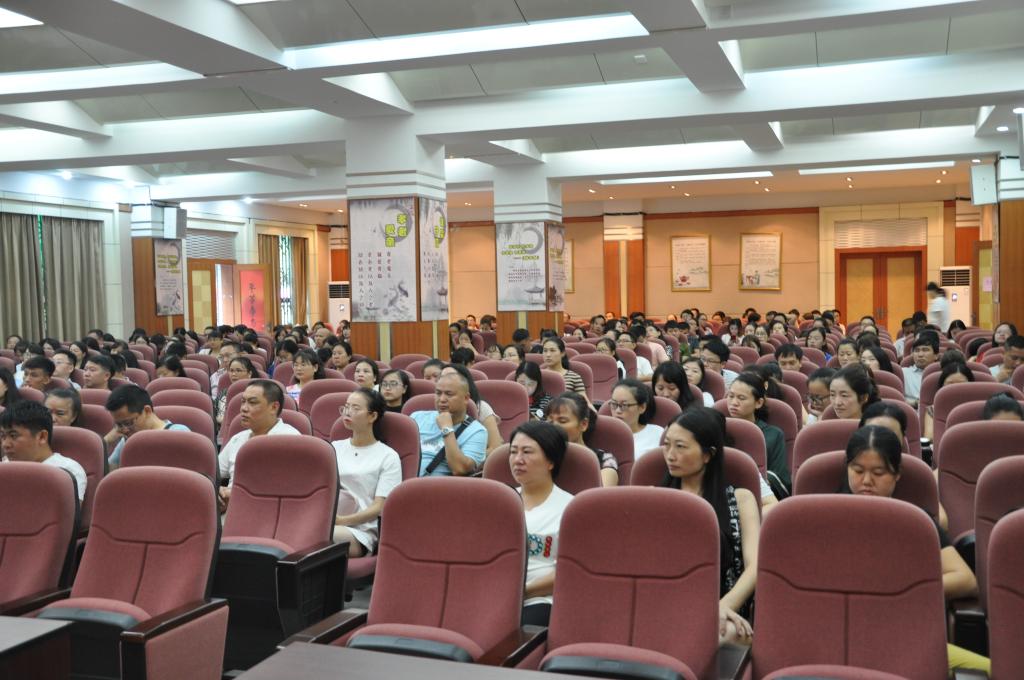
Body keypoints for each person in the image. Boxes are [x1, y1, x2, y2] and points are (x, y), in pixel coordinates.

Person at [840, 424, 987, 675]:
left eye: (879, 472)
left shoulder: (916, 522)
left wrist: (903, 590)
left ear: (897, 474)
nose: (866, 481)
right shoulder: (825, 518)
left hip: (906, 641)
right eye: (858, 470)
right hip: (836, 638)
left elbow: (966, 580)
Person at [661, 408, 757, 644]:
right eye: (666, 445)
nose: (670, 455)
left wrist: (724, 605)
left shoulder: (740, 499)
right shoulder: (655, 499)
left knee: (710, 636)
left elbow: (755, 566)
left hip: (723, 608)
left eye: (680, 447)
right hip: (663, 604)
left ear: (708, 454)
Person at [510, 420, 573, 627]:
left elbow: (567, 573)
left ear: (550, 462)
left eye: (527, 452)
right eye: (513, 452)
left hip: (541, 599)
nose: (518, 460)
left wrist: (520, 592)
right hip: (494, 595)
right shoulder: (500, 502)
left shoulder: (571, 509)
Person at [331, 389, 402, 558]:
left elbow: (380, 507)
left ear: (372, 416)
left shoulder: (388, 456)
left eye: (355, 408)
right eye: (346, 407)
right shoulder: (334, 448)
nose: (348, 412)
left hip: (361, 531)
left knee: (317, 534)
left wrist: (341, 521)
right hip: (330, 521)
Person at [218, 381, 301, 508]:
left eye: (252, 402)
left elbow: (291, 488)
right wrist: (218, 493)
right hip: (232, 510)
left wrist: (237, 495)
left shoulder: (291, 441)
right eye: (243, 402)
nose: (244, 408)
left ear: (274, 407)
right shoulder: (237, 439)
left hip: (273, 512)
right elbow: (213, 474)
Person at [0, 401, 86, 502]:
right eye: (2, 436)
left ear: (42, 437)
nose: (5, 444)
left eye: (13, 435)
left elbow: (69, 512)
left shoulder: (68, 470)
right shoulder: (4, 467)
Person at [411, 371, 488, 476]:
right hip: (401, 480)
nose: (442, 399)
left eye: (449, 394)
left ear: (466, 398)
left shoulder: (477, 431)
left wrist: (447, 429)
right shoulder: (416, 417)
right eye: (438, 393)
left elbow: (459, 469)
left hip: (435, 484)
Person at [727, 372, 790, 493]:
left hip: (760, 493)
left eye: (741, 398)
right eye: (731, 396)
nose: (734, 402)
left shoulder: (773, 434)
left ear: (758, 403)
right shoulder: (718, 429)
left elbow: (780, 477)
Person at [104, 385, 191, 469]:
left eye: (128, 423)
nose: (124, 430)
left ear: (147, 410)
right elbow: (110, 472)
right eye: (119, 425)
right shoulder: (128, 441)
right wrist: (106, 441)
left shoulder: (177, 433)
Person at [544, 392, 619, 487]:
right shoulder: (541, 456)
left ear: (583, 424)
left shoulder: (603, 459)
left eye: (562, 421)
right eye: (550, 421)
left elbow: (602, 493)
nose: (554, 426)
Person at [441, 364, 503, 452]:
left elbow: (495, 447)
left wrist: (472, 457)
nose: (444, 381)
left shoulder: (481, 407)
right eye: (441, 377)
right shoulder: (431, 408)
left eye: (450, 377)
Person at [608, 379, 663, 459]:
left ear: (642, 407)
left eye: (624, 405)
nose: (618, 411)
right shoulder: (603, 434)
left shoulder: (657, 433)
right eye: (614, 404)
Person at [215, 357, 259, 432]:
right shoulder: (224, 393)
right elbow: (217, 416)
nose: (233, 374)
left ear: (249, 374)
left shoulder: (258, 393)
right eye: (231, 370)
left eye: (238, 370)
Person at [540, 338, 589, 403]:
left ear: (562, 353)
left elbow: (585, 403)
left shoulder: (574, 377)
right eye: (545, 351)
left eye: (552, 350)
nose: (548, 355)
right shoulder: (538, 375)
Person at [904, 334, 939, 407]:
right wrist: (914, 403)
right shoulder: (903, 372)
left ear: (936, 355)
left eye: (925, 350)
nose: (920, 355)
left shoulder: (942, 374)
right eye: (917, 351)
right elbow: (896, 398)